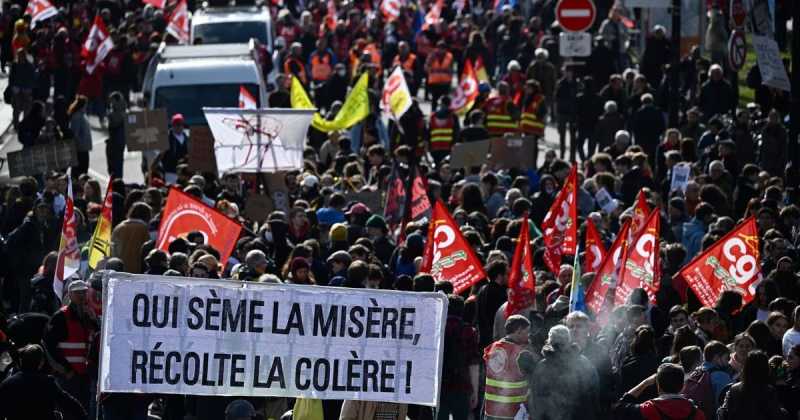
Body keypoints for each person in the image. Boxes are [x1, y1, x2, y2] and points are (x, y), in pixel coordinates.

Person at [44, 280, 99, 419]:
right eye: (78, 292)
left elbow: (97, 339)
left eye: (84, 292)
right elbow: (49, 346)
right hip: (68, 375)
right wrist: (65, 370)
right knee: (66, 412)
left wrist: (96, 322)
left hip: (85, 375)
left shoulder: (89, 315)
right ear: (70, 294)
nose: (82, 295)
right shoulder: (61, 316)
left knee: (84, 411)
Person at [0, 344, 88, 420]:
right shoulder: (47, 382)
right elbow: (68, 402)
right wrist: (83, 416)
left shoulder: (7, 384)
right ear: (41, 363)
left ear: (21, 361)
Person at [529, 325, 598, 420]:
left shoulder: (542, 367)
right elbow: (594, 393)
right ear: (569, 340)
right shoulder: (584, 363)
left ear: (550, 341)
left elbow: (535, 399)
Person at [483, 315, 535, 420]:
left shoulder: (492, 348)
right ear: (519, 331)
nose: (528, 335)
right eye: (527, 331)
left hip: (491, 410)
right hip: (513, 413)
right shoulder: (520, 353)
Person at [439, 295, 480, 420]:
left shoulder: (437, 329)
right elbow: (473, 364)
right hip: (461, 385)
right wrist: (475, 390)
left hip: (439, 386)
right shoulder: (468, 331)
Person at [614, 363, 704, 420]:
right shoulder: (697, 414)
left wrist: (645, 383)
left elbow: (619, 408)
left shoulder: (647, 410)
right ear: (682, 387)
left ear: (658, 387)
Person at [717, 350, 787, 420]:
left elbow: (727, 413)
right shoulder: (768, 390)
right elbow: (776, 415)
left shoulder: (734, 388)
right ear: (765, 368)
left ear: (746, 367)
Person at [68, 95, 92, 176]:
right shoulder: (77, 116)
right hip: (80, 150)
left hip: (84, 148)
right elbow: (75, 134)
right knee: (79, 172)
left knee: (83, 171)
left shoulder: (83, 115)